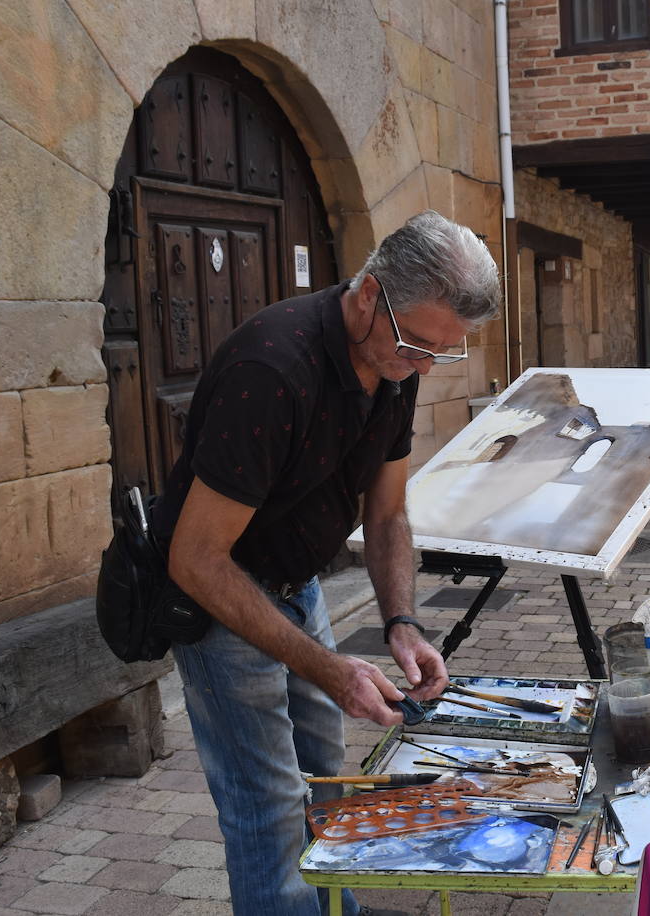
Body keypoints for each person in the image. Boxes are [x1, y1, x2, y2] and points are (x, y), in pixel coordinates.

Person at [154, 211, 501, 916]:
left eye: (446, 351)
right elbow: (195, 559)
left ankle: (327, 908)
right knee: (269, 803)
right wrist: (327, 666)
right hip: (222, 599)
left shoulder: (395, 362)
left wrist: (401, 622)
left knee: (321, 777)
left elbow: (388, 512)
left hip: (297, 581)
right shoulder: (273, 370)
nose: (427, 366)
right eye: (417, 343)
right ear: (370, 293)